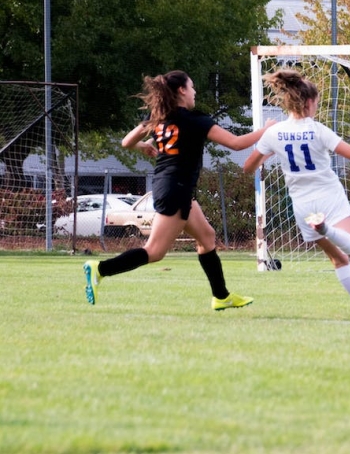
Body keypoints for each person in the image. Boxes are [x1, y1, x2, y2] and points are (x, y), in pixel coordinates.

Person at [82, 70, 276, 311]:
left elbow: (126, 142)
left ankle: (221, 296)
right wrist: (267, 129)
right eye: (192, 87)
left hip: (171, 186)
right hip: (176, 188)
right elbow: (236, 144)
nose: (195, 92)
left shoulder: (160, 117)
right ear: (182, 90)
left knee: (207, 237)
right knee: (154, 252)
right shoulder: (195, 120)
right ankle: (99, 269)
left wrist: (143, 145)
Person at [242, 69, 350, 320]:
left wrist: (271, 150)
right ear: (308, 102)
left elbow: (248, 167)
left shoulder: (274, 133)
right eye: (317, 102)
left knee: (339, 260)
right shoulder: (317, 129)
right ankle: (326, 229)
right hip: (329, 196)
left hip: (303, 206)